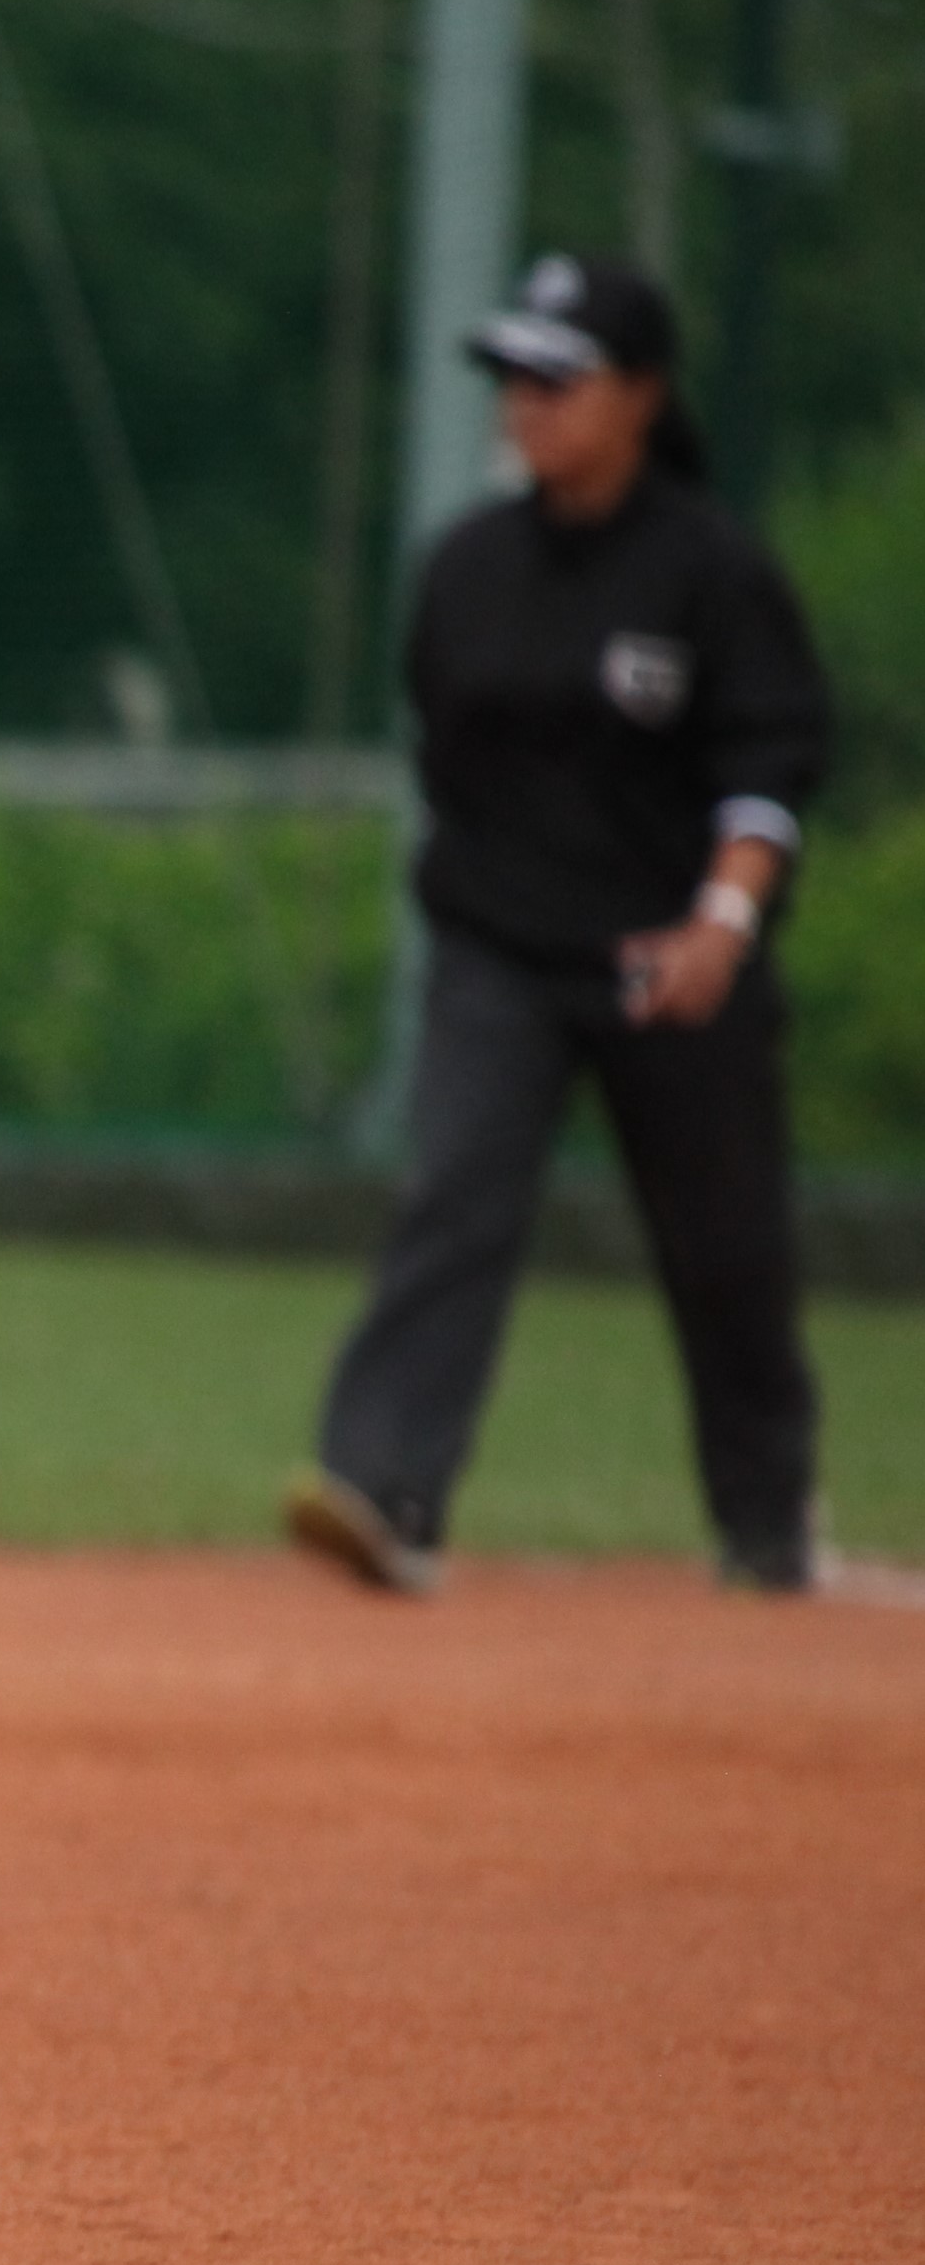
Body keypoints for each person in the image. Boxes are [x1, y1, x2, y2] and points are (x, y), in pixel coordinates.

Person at [288, 255, 836, 1598]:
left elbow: (768, 769)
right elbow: (448, 761)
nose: (525, 403)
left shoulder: (711, 571)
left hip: (674, 957)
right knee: (455, 1199)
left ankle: (767, 1518)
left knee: (726, 1250)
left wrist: (719, 926)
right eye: (512, 378)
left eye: (558, 379)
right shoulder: (469, 566)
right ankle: (387, 1488)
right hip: (504, 955)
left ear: (641, 395)